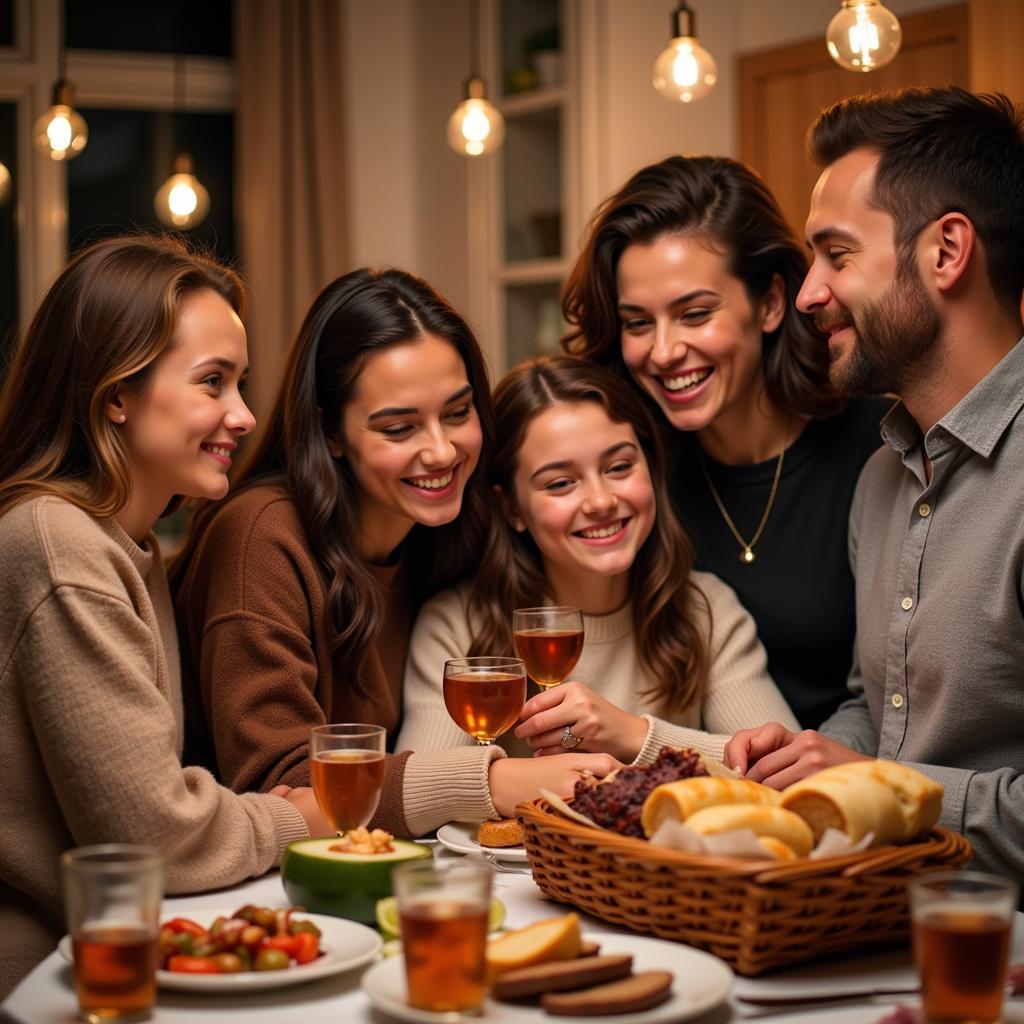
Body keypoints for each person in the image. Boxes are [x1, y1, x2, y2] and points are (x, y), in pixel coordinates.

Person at [171, 270, 617, 841]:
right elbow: (276, 787)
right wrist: (495, 780)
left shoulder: (446, 530)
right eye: (399, 427)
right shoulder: (260, 536)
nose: (441, 450)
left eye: (458, 413)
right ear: (331, 433)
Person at [0, 235, 330, 998]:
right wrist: (296, 820)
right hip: (44, 982)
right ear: (116, 393)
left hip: (109, 955)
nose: (244, 416)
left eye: (240, 383)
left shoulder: (133, 547)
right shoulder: (56, 544)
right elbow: (154, 838)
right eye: (212, 382)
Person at [725, 86, 1024, 880]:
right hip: (877, 925)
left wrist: (878, 786)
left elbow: (895, 775)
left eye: (838, 253)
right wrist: (810, 758)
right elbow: (878, 713)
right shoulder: (881, 480)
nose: (812, 293)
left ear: (947, 251)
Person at [562, 155, 890, 729]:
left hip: (842, 783)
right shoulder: (627, 475)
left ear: (768, 303)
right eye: (638, 322)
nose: (663, 352)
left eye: (694, 313)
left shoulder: (878, 449)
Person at [397, 355, 798, 765]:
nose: (602, 501)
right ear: (512, 509)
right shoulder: (458, 626)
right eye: (561, 483)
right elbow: (412, 791)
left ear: (651, 468)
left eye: (619, 466)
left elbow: (787, 768)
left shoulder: (704, 609)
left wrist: (634, 736)